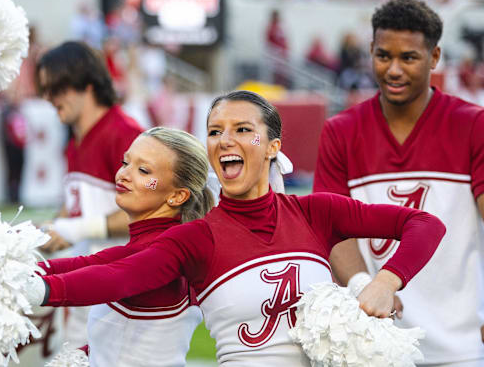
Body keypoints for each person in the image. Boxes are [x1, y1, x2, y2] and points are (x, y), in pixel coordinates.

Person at [26, 90, 446, 365]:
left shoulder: (316, 213)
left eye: (243, 130)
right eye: (215, 132)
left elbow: (423, 224)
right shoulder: (196, 238)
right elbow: (117, 270)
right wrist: (31, 285)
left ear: (273, 147)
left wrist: (386, 281)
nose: (226, 140)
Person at [313, 0, 484, 366]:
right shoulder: (340, 131)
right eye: (383, 56)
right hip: (376, 346)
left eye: (408, 57)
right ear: (370, 51)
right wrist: (367, 289)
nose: (394, 69)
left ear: (435, 56)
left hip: (466, 348)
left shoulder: (474, 124)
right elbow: (331, 229)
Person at [39, 127, 213, 366]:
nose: (123, 174)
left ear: (177, 196)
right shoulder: (144, 246)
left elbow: (114, 278)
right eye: (125, 162)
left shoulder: (168, 251)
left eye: (143, 170)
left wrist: (26, 289)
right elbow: (87, 264)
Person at [30, 41, 143, 354]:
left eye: (57, 88)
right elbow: (77, 206)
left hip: (122, 292)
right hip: (86, 287)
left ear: (87, 84)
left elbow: (149, 212)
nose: (48, 98)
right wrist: (45, 230)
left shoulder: (124, 134)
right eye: (45, 89)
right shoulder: (75, 141)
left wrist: (75, 230)